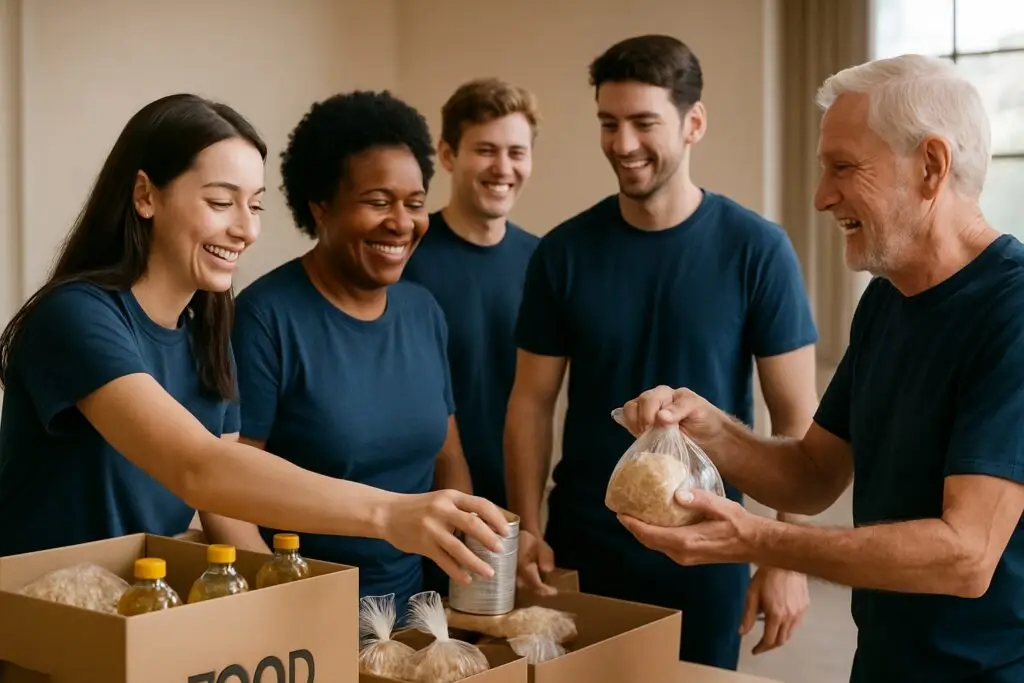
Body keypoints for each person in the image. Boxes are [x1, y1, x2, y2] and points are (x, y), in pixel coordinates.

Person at [614, 54, 1024, 682]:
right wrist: (710, 430)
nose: (821, 196)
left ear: (931, 166)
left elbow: (965, 556)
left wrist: (759, 540)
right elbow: (813, 475)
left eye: (844, 167)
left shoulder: (1011, 313)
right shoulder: (886, 300)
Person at [0, 94, 510, 585]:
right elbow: (199, 469)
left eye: (256, 205)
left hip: (143, 617)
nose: (246, 229)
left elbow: (226, 500)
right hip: (49, 621)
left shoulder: (206, 333)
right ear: (145, 195)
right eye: (221, 202)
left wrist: (291, 602)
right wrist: (388, 512)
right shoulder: (77, 317)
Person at [505, 34, 819, 669]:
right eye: (609, 123)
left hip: (709, 542)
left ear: (693, 123)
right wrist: (526, 530)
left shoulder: (757, 250)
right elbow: (531, 403)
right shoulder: (563, 253)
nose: (623, 144)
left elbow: (796, 416)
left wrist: (786, 555)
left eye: (644, 123)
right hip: (584, 543)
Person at [230, 90, 486, 612]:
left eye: (415, 203)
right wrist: (280, 609)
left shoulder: (422, 312)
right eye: (378, 201)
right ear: (320, 207)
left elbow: (448, 455)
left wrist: (463, 579)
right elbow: (226, 495)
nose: (402, 222)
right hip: (303, 613)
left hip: (418, 614)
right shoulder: (265, 317)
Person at [402, 78, 541, 597]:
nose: (503, 168)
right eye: (485, 150)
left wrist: (530, 518)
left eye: (516, 152)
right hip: (417, 511)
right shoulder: (405, 256)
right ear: (447, 155)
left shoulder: (542, 263)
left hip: (512, 515)